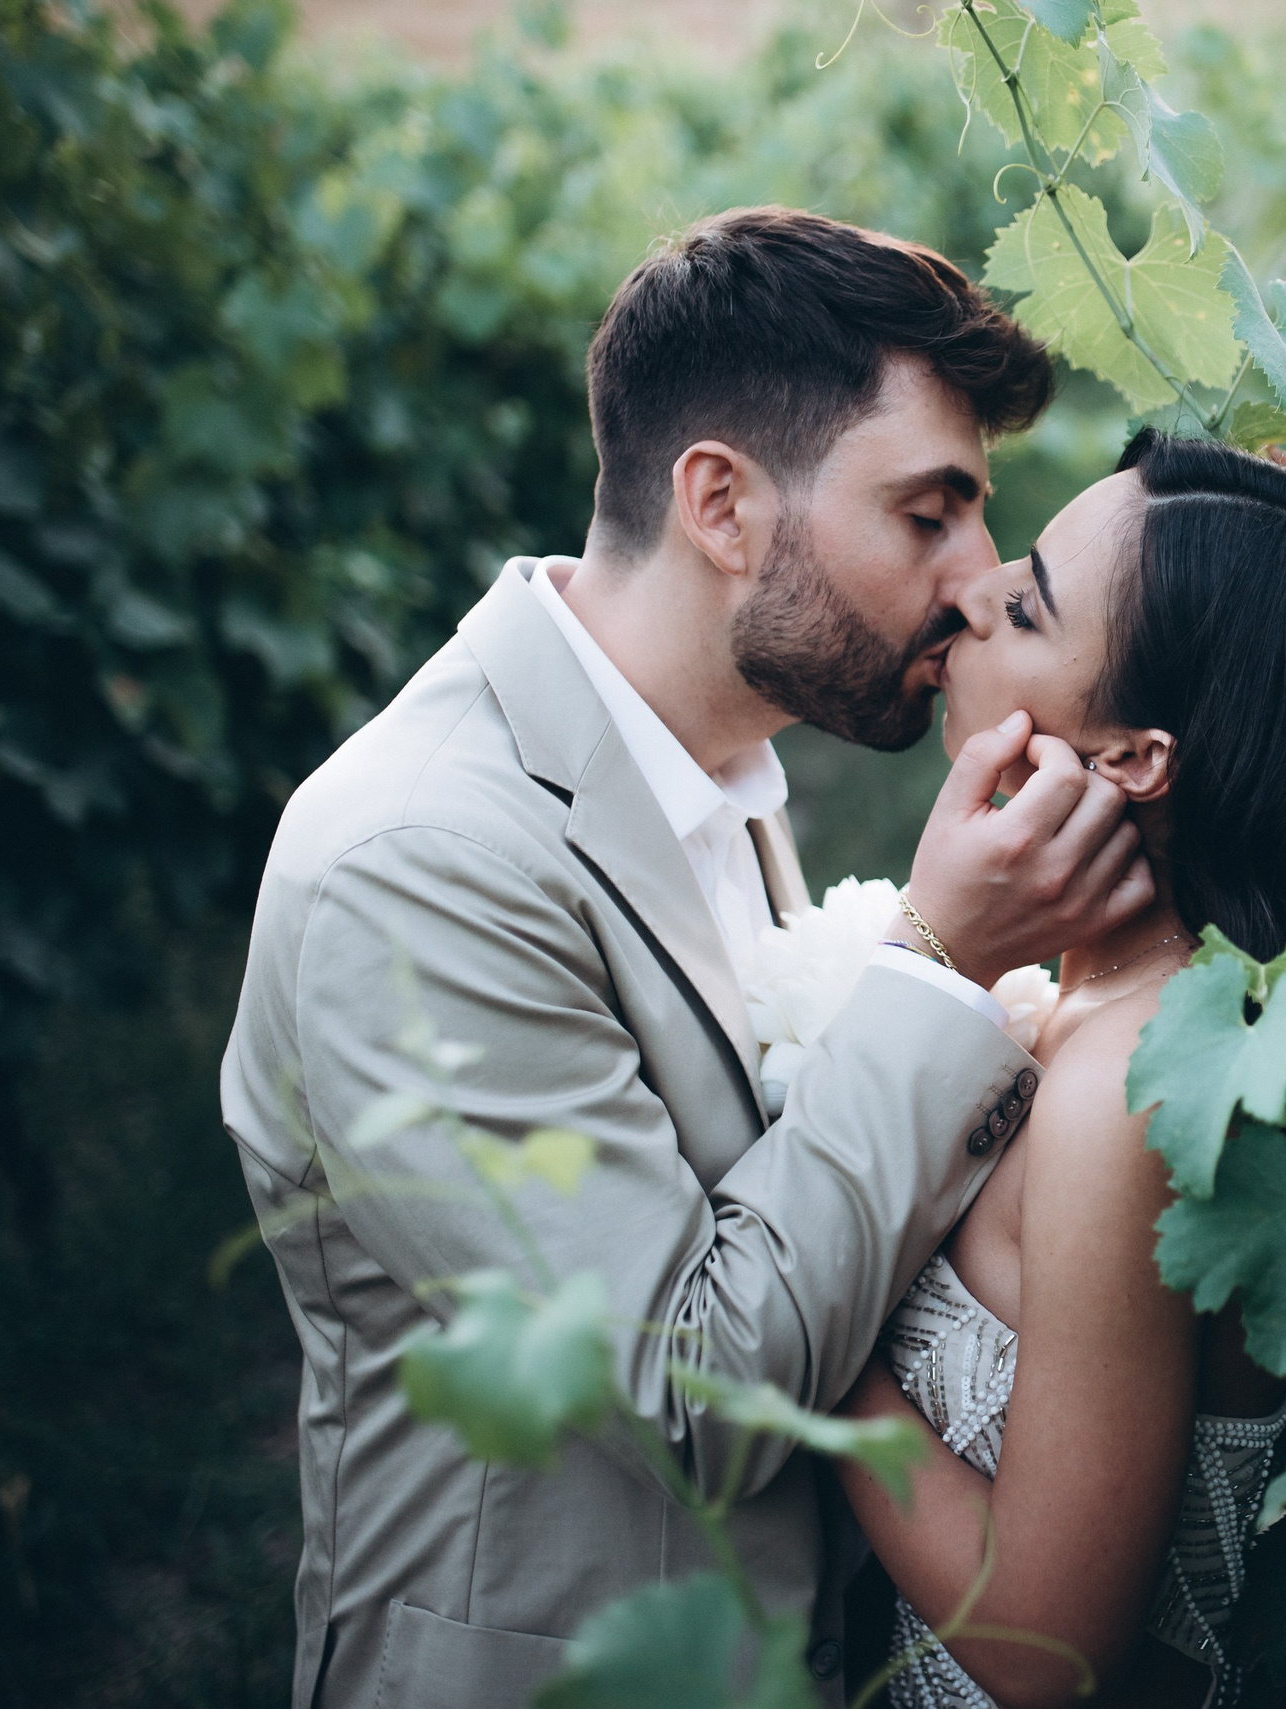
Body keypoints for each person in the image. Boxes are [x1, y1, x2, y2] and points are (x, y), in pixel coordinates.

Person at [219, 207, 1154, 1709]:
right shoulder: (420, 861)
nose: (976, 580)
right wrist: (930, 961)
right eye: (928, 515)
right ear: (721, 502)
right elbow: (688, 1390)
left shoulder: (703, 768)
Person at [832, 430, 1286, 1709]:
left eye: (1029, 601)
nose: (969, 590)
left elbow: (1042, 1646)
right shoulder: (1079, 1011)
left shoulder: (1134, 1093)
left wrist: (813, 1357)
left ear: (1130, 756)